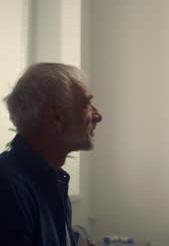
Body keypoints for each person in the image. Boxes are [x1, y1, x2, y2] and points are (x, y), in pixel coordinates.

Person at [0, 63, 103, 245]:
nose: (98, 116)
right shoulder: (8, 188)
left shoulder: (54, 181)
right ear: (57, 116)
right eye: (86, 104)